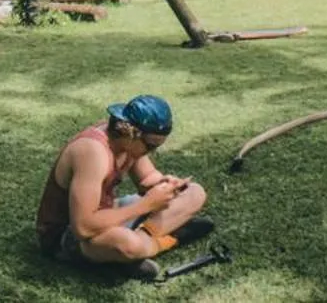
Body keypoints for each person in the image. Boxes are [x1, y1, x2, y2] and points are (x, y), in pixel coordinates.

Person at [34, 95, 212, 279]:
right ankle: (166, 240)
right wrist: (145, 205)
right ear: (130, 133)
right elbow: (83, 227)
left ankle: (137, 249)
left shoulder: (128, 143)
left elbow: (147, 178)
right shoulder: (92, 152)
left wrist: (166, 186)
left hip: (106, 214)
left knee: (194, 193)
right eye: (150, 146)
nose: (151, 152)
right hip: (67, 235)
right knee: (126, 243)